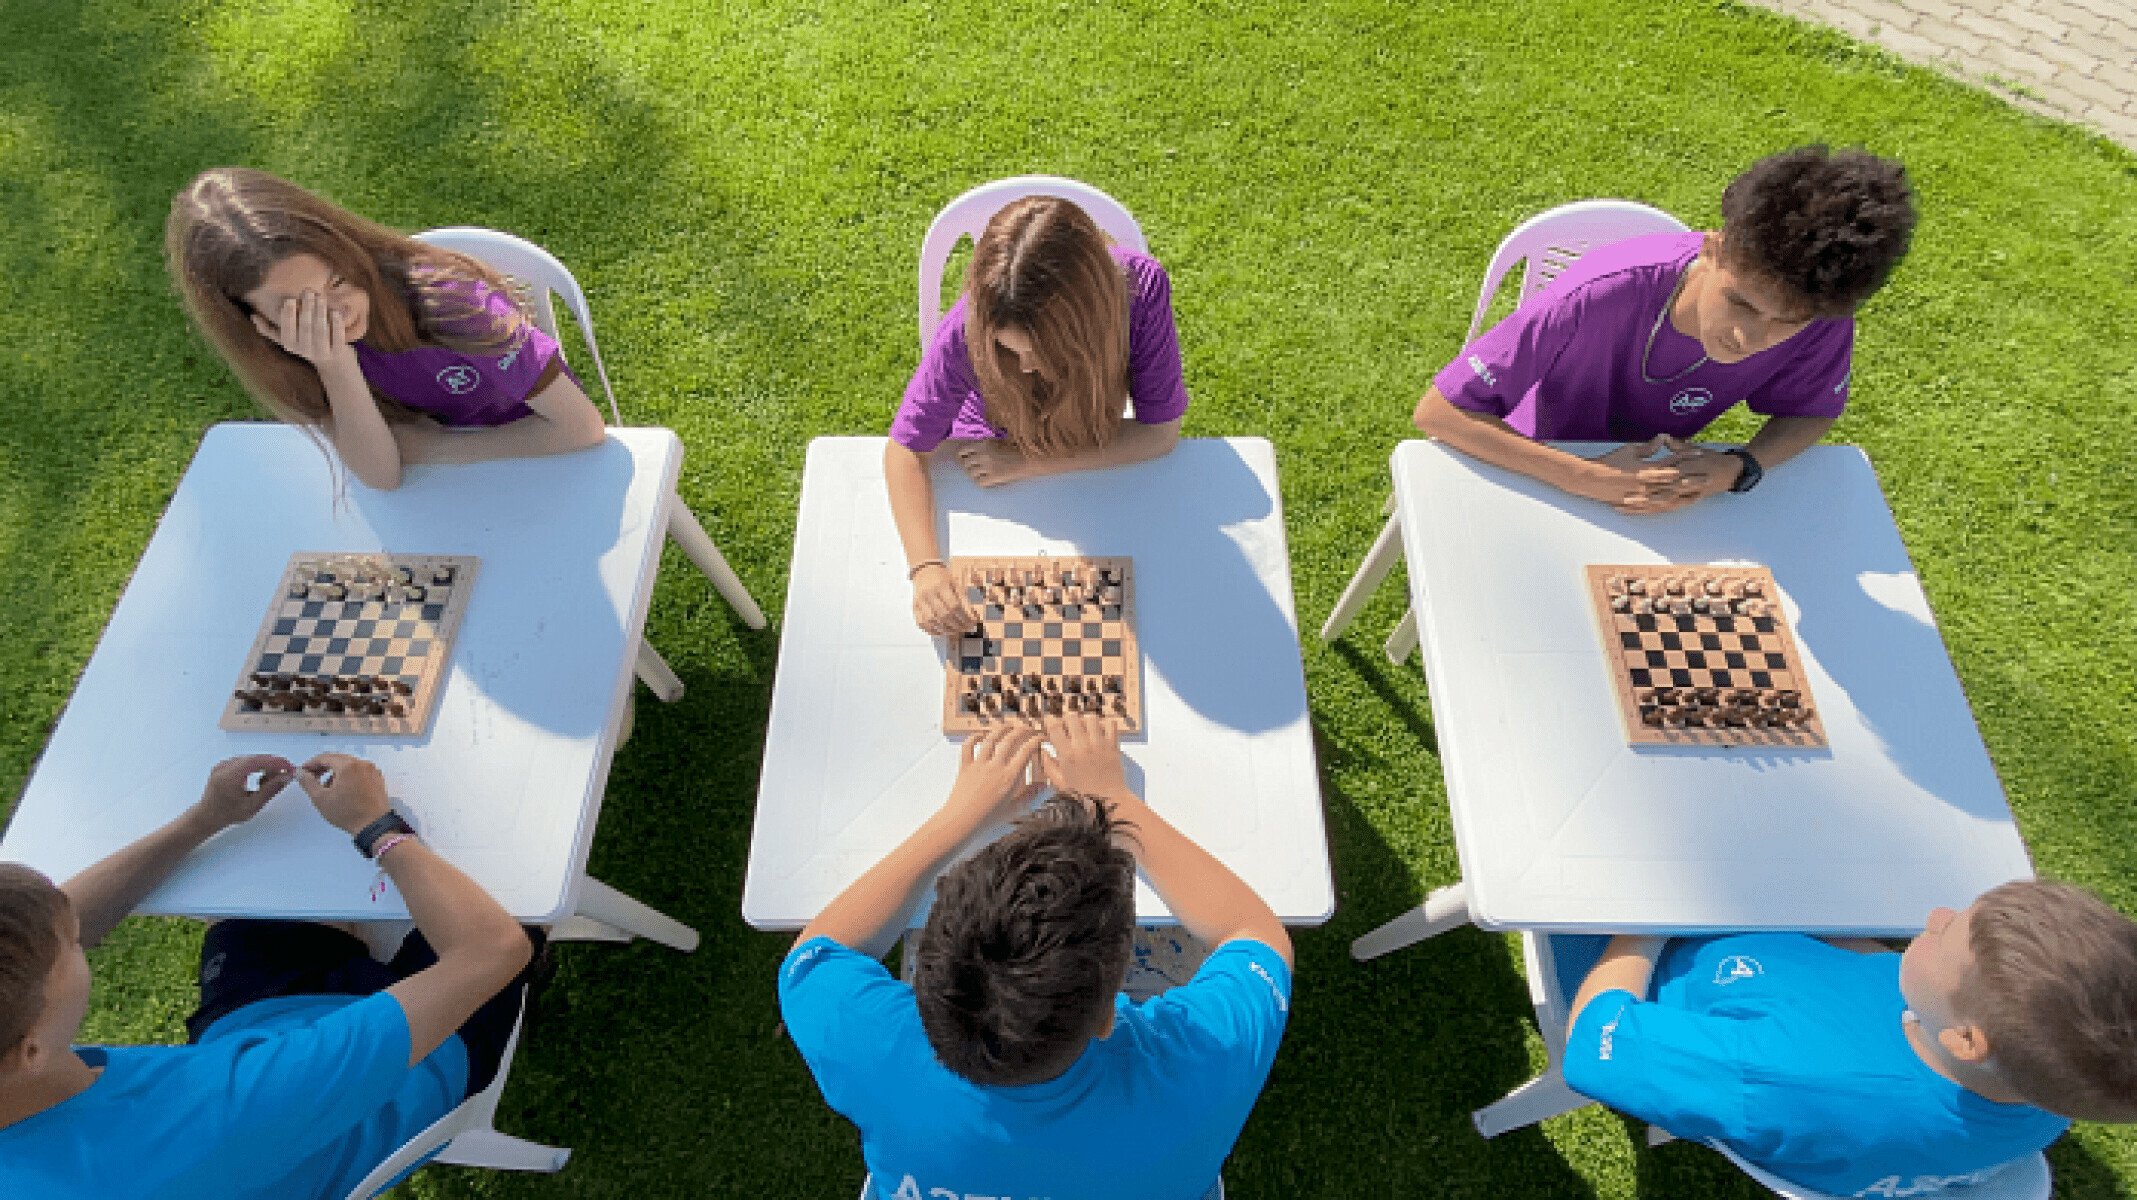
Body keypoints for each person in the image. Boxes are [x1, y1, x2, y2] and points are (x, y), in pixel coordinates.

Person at [779, 714, 1293, 1200]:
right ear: (1108, 1016)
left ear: (924, 982)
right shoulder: (1194, 1075)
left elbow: (819, 950)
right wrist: (1117, 804)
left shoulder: (875, 1047)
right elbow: (1254, 933)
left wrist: (958, 819)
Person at [0, 753, 540, 1198]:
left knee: (277, 878)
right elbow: (491, 950)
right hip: (396, 1081)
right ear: (31, 1050)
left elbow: (56, 914)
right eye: (70, 946)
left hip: (251, 1032)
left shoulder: (19, 1069)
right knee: (519, 879)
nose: (77, 928)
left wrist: (204, 819)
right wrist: (375, 827)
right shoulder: (217, 1115)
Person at [1414, 145, 1917, 514]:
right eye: (1740, 303)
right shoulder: (1600, 291)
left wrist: (1741, 465)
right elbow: (1440, 411)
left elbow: (1811, 410)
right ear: (1714, 249)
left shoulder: (1818, 312)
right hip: (1524, 458)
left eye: (1783, 324)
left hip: (1638, 485)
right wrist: (1590, 477)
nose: (1747, 338)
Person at [1561, 881, 2137, 1197]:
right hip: (1781, 947)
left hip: (1657, 961)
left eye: (1945, 936)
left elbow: (1593, 1039)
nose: (1935, 915)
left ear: (1966, 1040)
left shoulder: (1779, 1079)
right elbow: (1869, 974)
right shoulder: (2045, 1097)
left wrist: (1644, 924)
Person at [166, 167, 607, 491]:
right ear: (262, 325)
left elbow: (581, 427)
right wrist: (336, 367)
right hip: (447, 493)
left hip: (552, 466)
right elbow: (381, 474)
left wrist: (433, 450)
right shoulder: (295, 356)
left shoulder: (453, 303)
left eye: (337, 281)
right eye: (303, 308)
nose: (335, 313)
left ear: (348, 250)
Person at [888, 196, 1190, 635]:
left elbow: (1159, 434)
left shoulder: (1141, 291)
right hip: (981, 465)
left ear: (1087, 324)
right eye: (1008, 350)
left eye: (1044, 350)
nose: (1026, 366)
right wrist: (925, 568)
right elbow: (904, 449)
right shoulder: (967, 329)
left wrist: (1029, 461)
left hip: (1080, 459)